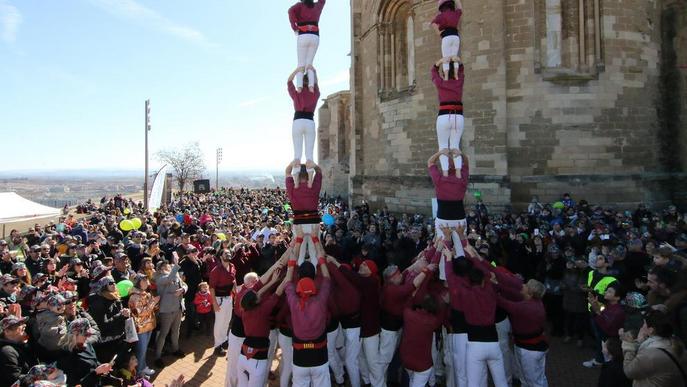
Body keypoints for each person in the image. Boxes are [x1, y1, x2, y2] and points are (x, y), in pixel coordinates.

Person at [283, 242, 332, 387]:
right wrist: (320, 255)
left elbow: (287, 282)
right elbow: (327, 279)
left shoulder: (293, 300)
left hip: (299, 358)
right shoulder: (321, 300)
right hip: (320, 356)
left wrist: (292, 262)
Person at [237, 267, 287, 387]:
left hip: (243, 357)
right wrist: (286, 278)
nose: (259, 294)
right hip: (257, 360)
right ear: (255, 301)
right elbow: (278, 293)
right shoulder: (263, 310)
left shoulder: (245, 310)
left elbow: (257, 294)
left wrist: (272, 281)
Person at [428, 153, 469, 280]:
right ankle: (462, 272)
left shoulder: (439, 179)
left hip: (444, 218)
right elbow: (466, 163)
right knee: (460, 246)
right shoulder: (462, 178)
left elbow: (430, 162)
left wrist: (441, 152)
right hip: (459, 218)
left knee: (443, 247)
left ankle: (444, 276)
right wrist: (460, 153)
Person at [621, 310, 687, 386]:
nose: (642, 327)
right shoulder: (676, 342)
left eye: (644, 324)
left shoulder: (650, 354)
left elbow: (629, 371)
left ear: (651, 330)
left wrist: (629, 345)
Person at [57, 318, 120, 387]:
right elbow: (74, 384)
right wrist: (95, 372)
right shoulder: (66, 355)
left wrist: (105, 369)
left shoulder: (87, 345)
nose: (88, 336)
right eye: (86, 334)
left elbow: (94, 363)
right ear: (75, 335)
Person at [431, 57, 465, 174]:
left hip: (444, 116)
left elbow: (433, 72)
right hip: (458, 116)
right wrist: (458, 61)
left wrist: (439, 62)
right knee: (456, 146)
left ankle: (445, 173)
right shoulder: (459, 81)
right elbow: (461, 70)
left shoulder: (440, 83)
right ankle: (458, 173)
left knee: (443, 146)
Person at [285, 161, 323, 267]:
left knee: (299, 253)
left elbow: (287, 171)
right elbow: (319, 172)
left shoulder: (292, 188)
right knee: (314, 252)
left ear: (296, 175)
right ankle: (313, 272)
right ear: (308, 175)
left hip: (299, 224)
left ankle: (299, 274)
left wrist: (292, 163)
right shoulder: (314, 186)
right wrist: (313, 165)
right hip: (313, 223)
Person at [153, 252, 187, 368]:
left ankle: (175, 349)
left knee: (176, 331)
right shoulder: (159, 278)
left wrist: (182, 289)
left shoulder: (175, 274)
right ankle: (157, 356)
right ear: (159, 269)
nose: (166, 266)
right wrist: (176, 265)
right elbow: (169, 279)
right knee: (164, 333)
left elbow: (184, 284)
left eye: (166, 265)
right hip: (166, 310)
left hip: (177, 308)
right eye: (163, 266)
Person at [87, 275, 130, 364]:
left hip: (119, 338)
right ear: (104, 286)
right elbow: (102, 325)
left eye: (114, 282)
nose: (114, 284)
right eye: (110, 283)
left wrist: (125, 314)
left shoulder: (115, 297)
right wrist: (121, 315)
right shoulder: (98, 302)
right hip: (107, 343)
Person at [288, 67, 320, 181]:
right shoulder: (315, 94)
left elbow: (289, 81)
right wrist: (314, 73)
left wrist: (297, 70)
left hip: (297, 121)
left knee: (297, 154)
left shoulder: (296, 94)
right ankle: (310, 180)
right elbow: (316, 85)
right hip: (309, 121)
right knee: (309, 154)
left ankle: (296, 182)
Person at [288, 0, 326, 91]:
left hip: (303, 35)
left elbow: (290, 11)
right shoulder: (318, 6)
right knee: (309, 63)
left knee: (301, 63)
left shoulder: (300, 5)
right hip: (315, 36)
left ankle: (299, 88)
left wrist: (295, 27)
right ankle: (311, 87)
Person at [128, 273, 159, 377]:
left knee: (144, 349)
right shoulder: (134, 297)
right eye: (144, 280)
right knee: (140, 351)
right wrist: (153, 303)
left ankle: (143, 367)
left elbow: (150, 310)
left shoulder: (145, 293)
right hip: (141, 328)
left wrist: (155, 304)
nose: (147, 282)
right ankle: (139, 372)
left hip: (148, 325)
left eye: (147, 280)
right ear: (138, 283)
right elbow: (140, 313)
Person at [209, 249, 236, 356]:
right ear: (220, 256)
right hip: (219, 300)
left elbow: (234, 281)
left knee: (227, 320)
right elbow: (211, 288)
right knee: (219, 323)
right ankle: (217, 345)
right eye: (226, 253)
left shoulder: (233, 266)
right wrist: (214, 303)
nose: (228, 254)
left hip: (229, 298)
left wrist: (236, 294)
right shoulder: (216, 270)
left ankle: (224, 339)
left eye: (229, 253)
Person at [0, 315, 35, 386]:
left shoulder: (22, 345)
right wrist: (39, 376)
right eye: (19, 324)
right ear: (7, 331)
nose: (24, 325)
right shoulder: (7, 351)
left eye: (23, 323)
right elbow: (15, 378)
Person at [431, 0, 463, 78]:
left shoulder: (441, 16)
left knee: (446, 58)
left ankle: (446, 76)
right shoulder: (455, 13)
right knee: (454, 57)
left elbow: (433, 23)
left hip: (446, 37)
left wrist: (439, 33)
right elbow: (460, 8)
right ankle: (456, 75)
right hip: (455, 37)